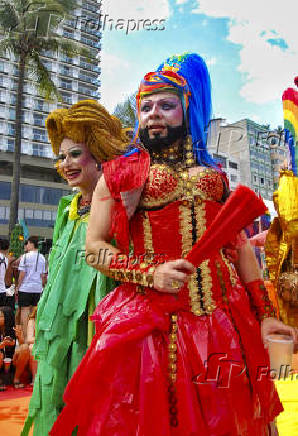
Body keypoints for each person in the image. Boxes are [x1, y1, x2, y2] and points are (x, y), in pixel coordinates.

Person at [50, 54, 298, 436]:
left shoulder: (215, 175)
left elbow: (241, 248)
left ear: (187, 109)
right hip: (150, 324)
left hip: (224, 319)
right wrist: (151, 273)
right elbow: (96, 247)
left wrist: (265, 313)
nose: (154, 115)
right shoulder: (120, 174)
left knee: (232, 416)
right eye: (145, 107)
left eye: (166, 105)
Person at [21, 100, 126, 436]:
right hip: (56, 335)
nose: (65, 164)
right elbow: (56, 274)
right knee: (53, 404)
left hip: (100, 331)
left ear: (98, 154)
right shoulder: (67, 208)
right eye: (62, 156)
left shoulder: (121, 206)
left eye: (75, 154)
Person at [17, 236, 46, 340]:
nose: (26, 245)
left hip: (25, 288)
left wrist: (18, 286)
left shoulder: (25, 257)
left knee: (24, 311)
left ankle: (25, 337)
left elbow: (22, 274)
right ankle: (33, 337)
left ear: (31, 243)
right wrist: (42, 286)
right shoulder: (42, 257)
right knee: (34, 313)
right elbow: (43, 276)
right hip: (37, 288)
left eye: (27, 243)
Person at [0, 306, 16, 388]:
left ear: (7, 317)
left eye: (1, 316)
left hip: (10, 359)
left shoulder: (13, 330)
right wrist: (2, 344)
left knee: (24, 348)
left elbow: (17, 345)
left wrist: (17, 340)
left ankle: (16, 379)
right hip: (1, 358)